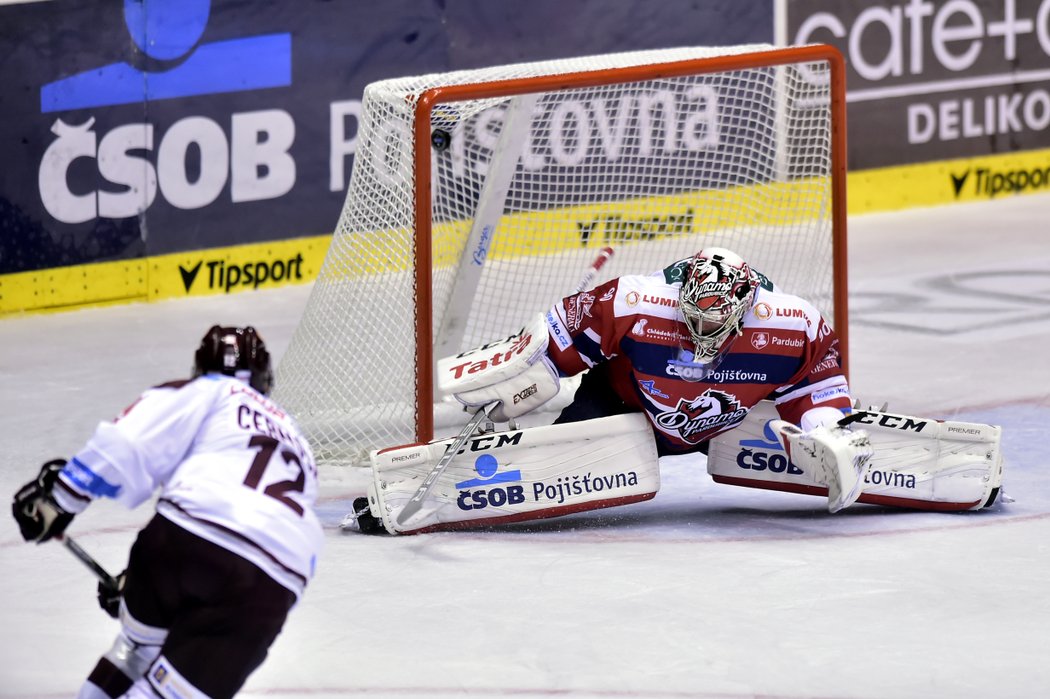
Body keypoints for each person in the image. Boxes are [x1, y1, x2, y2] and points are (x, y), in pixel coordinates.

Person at [12, 325, 323, 699]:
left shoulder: (207, 390)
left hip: (181, 543)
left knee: (133, 652)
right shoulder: (297, 439)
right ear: (265, 379)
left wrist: (61, 498)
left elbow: (125, 442)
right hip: (271, 577)